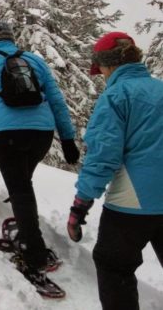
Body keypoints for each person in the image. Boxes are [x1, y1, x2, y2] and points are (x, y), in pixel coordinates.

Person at [0, 21, 79, 281]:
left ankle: (33, 254)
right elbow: (56, 100)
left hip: (6, 134)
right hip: (41, 135)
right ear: (11, 39)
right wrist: (67, 139)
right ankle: (27, 232)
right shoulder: (35, 60)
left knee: (19, 188)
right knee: (23, 183)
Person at [67, 31, 163, 310]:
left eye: (102, 70)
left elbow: (102, 157)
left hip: (133, 203)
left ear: (109, 66)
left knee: (113, 266)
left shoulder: (116, 96)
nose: (103, 76)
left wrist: (80, 207)